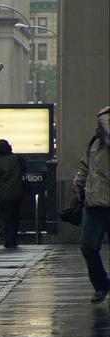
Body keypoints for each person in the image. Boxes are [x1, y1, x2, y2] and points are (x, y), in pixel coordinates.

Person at [71, 105, 110, 305]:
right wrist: (77, 186)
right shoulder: (94, 143)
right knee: (88, 247)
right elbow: (85, 166)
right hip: (94, 205)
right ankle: (101, 285)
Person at [0, 139, 25, 248]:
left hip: (4, 194)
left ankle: (8, 239)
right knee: (15, 217)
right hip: (17, 192)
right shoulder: (16, 159)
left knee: (7, 217)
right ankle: (14, 238)